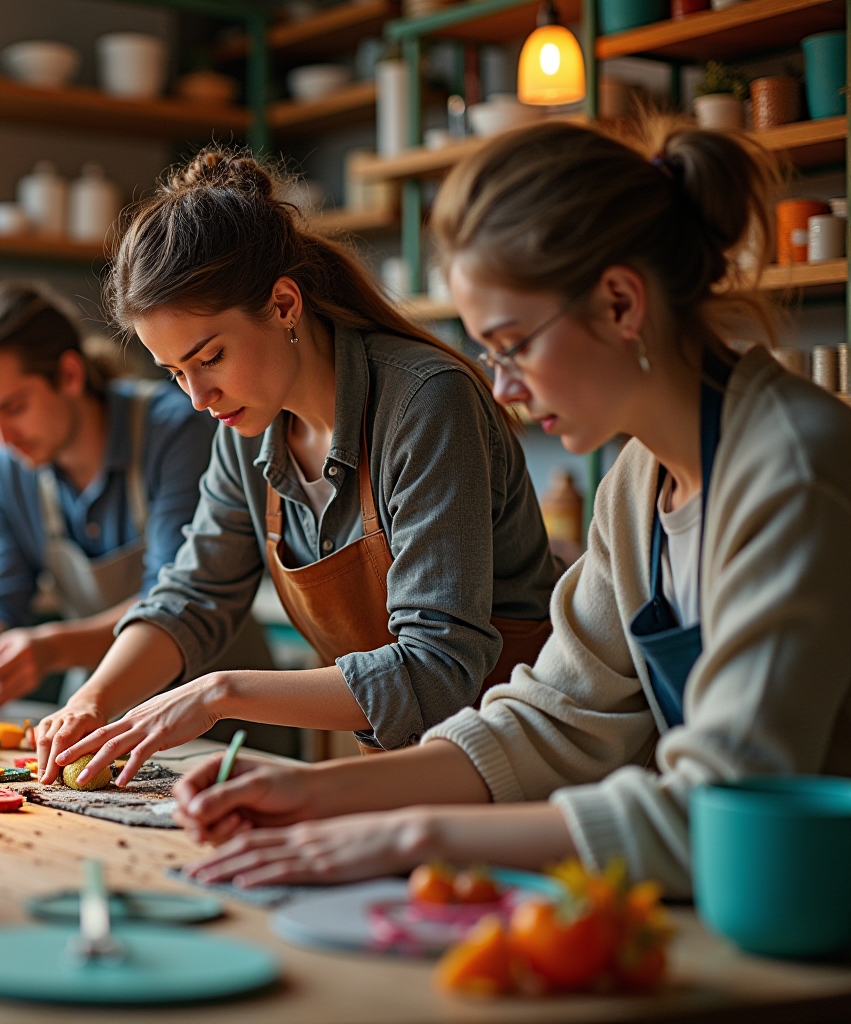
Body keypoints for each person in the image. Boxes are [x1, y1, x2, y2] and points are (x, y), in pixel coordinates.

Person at [171, 119, 851, 897]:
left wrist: (408, 832)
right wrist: (311, 793)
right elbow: (550, 717)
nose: (503, 389)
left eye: (515, 343)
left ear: (621, 302)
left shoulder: (791, 471)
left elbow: (721, 814)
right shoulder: (638, 481)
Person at [35, 147, 562, 787]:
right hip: (405, 780)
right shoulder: (248, 429)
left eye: (211, 358)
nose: (198, 399)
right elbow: (194, 595)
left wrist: (217, 693)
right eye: (176, 374)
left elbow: (437, 667)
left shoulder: (425, 402)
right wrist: (92, 699)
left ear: (284, 305)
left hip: (522, 772)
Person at [0, 281, 271, 715]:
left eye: (14, 407)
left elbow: (178, 598)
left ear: (70, 375)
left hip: (217, 706)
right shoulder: (4, 466)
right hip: (98, 708)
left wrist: (54, 648)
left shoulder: (173, 431)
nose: (1, 437)